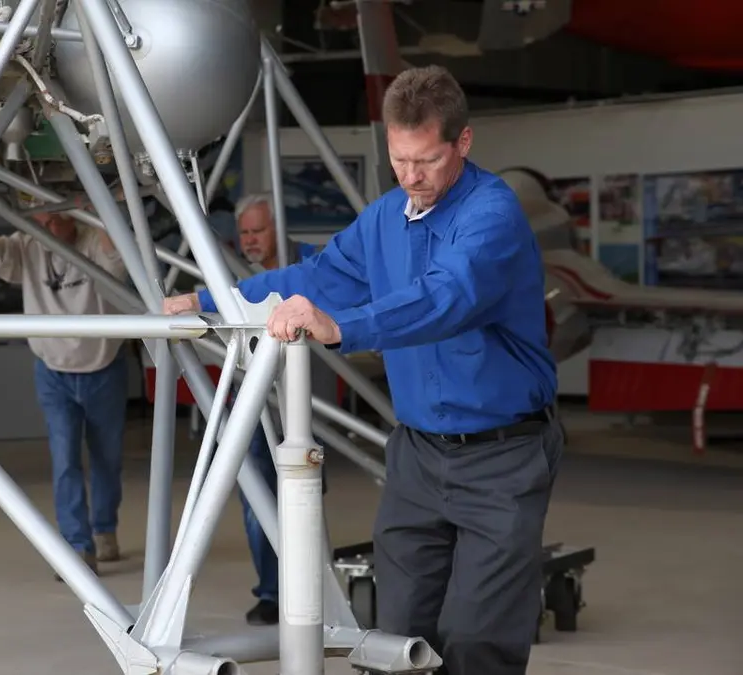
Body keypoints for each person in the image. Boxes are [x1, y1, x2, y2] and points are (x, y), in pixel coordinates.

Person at [163, 65, 561, 675]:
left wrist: (343, 327)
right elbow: (317, 277)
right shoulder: (384, 218)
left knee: (478, 639)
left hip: (501, 458)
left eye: (427, 161)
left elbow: (446, 296)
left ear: (463, 142)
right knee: (395, 637)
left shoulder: (492, 215)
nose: (411, 177)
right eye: (400, 160)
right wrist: (211, 300)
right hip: (417, 456)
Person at [0, 211, 129, 577]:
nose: (47, 226)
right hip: (53, 372)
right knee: (64, 458)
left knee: (107, 458)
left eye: (54, 217)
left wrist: (105, 206)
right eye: (39, 218)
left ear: (72, 214)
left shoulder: (93, 240)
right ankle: (77, 547)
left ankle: (104, 530)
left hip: (104, 366)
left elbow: (116, 260)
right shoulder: (28, 245)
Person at [223, 192, 319, 626]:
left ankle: (311, 586)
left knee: (307, 495)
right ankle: (271, 592)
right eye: (244, 232)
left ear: (279, 227)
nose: (250, 240)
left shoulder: (314, 264)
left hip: (306, 401)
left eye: (258, 230)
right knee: (257, 498)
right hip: (253, 402)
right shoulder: (229, 275)